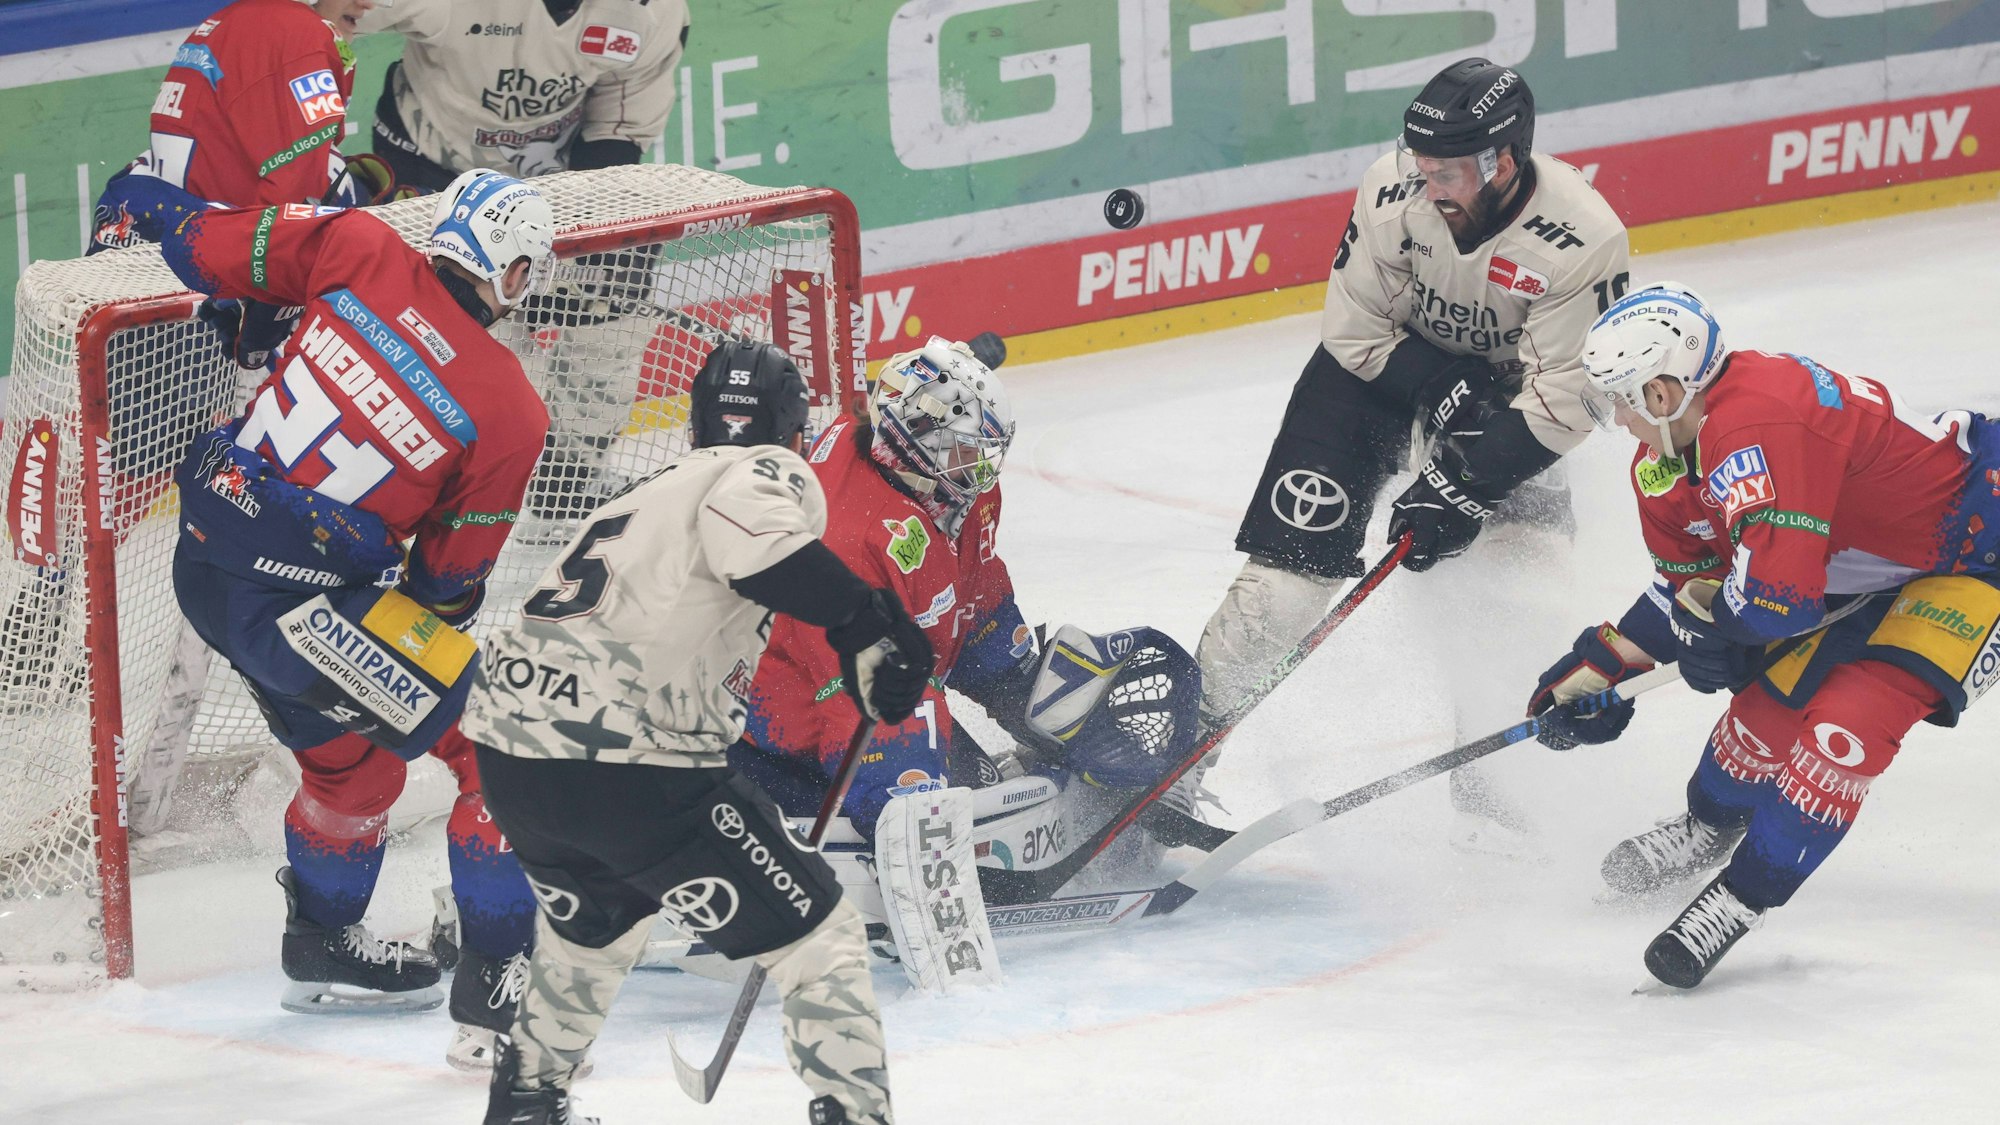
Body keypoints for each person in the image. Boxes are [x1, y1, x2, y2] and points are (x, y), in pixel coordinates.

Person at [98, 169, 556, 1043]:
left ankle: (321, 947)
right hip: (304, 615)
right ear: (515, 271)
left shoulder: (361, 244)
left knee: (356, 767)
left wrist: (140, 200)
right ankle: (499, 987)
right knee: (506, 746)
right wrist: (414, 653)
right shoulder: (510, 410)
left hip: (204, 569)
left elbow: (204, 243)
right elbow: (445, 584)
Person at [463, 339, 930, 1125]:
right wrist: (867, 618)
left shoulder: (642, 492)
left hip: (513, 756)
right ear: (790, 429)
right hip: (628, 761)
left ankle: (526, 1105)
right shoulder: (761, 471)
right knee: (821, 939)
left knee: (592, 933)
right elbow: (760, 546)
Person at [1192, 57, 1630, 844]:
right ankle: (1181, 765)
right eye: (1421, 166)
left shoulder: (1584, 237)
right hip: (1372, 383)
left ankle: (1488, 782)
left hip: (1501, 406)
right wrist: (1439, 384)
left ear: (1502, 160)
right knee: (1278, 596)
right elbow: (1355, 331)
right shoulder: (1391, 189)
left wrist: (1462, 482)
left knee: (1528, 584)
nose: (1427, 185)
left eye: (1448, 171)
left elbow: (1568, 397)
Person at [1525, 283, 2000, 988]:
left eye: (1620, 399)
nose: (1615, 419)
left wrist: (1705, 635)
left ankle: (1741, 896)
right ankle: (1705, 826)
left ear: (1661, 392)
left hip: (1977, 553)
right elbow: (1694, 589)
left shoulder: (1757, 424)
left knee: (1846, 731)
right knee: (1760, 721)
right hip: (1856, 570)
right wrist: (1601, 666)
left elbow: (1773, 603)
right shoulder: (1664, 458)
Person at [734, 338, 1208, 992]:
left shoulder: (951, 484)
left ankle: (1076, 794)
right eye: (965, 450)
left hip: (880, 679)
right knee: (933, 794)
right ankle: (920, 894)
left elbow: (975, 596)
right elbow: (855, 700)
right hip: (785, 732)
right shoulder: (839, 531)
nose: (982, 468)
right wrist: (910, 809)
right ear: (912, 437)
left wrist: (1032, 701)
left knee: (1009, 757)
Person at [90, 0, 408, 366]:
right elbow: (293, 206)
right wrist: (273, 313)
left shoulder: (235, 18)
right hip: (203, 285)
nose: (368, 3)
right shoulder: (299, 34)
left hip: (151, 256)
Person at [353, 0, 691, 190]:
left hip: (547, 173)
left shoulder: (653, 10)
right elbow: (322, 13)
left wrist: (602, 222)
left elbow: (622, 115)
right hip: (423, 151)